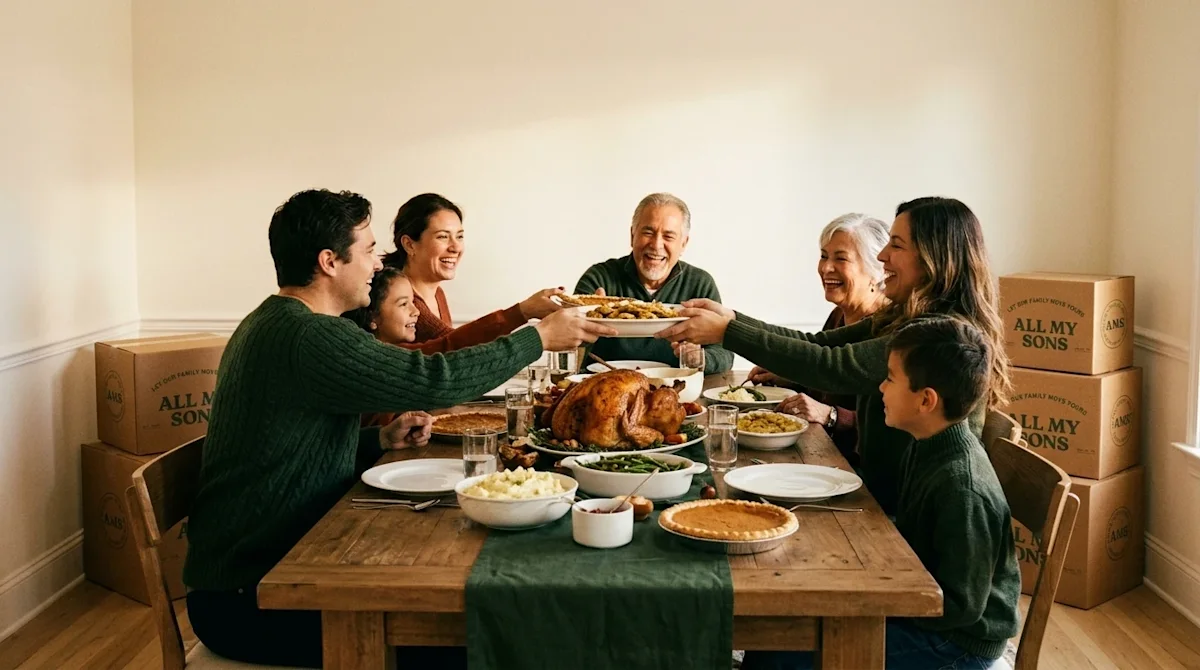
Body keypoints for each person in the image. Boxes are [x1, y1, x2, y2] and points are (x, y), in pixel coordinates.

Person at [182, 188, 615, 668]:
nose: (376, 263)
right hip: (253, 597)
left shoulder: (278, 321)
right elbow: (432, 380)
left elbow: (287, 441)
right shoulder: (308, 334)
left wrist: (377, 440)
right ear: (329, 261)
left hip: (271, 571)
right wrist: (537, 338)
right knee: (487, 639)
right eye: (368, 250)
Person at [657, 197, 1011, 514]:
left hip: (898, 514)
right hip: (882, 496)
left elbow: (832, 366)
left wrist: (728, 332)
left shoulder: (938, 336)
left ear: (933, 258)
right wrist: (731, 319)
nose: (884, 256)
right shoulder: (907, 318)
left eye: (897, 245)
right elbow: (819, 344)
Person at [743, 318, 1018, 670]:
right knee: (777, 631)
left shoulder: (963, 488)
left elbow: (961, 606)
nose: (880, 388)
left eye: (889, 378)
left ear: (926, 400)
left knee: (781, 653)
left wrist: (869, 605)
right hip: (929, 612)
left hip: (958, 643)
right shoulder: (927, 445)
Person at [747, 213, 890, 464]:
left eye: (841, 258)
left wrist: (832, 416)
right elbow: (828, 380)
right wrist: (792, 376)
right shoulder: (839, 315)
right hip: (823, 453)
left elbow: (889, 425)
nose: (826, 268)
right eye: (824, 256)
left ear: (877, 271)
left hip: (861, 470)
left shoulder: (888, 330)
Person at [574, 192, 733, 373]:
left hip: (673, 385)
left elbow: (724, 352)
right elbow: (568, 351)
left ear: (683, 243)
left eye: (668, 236)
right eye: (648, 233)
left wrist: (700, 358)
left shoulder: (699, 283)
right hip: (607, 383)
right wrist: (586, 324)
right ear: (632, 235)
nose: (656, 245)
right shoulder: (598, 278)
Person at [381, 192, 563, 343]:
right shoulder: (402, 300)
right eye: (443, 236)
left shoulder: (437, 293)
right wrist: (524, 312)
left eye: (459, 236)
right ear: (409, 245)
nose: (456, 247)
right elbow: (455, 348)